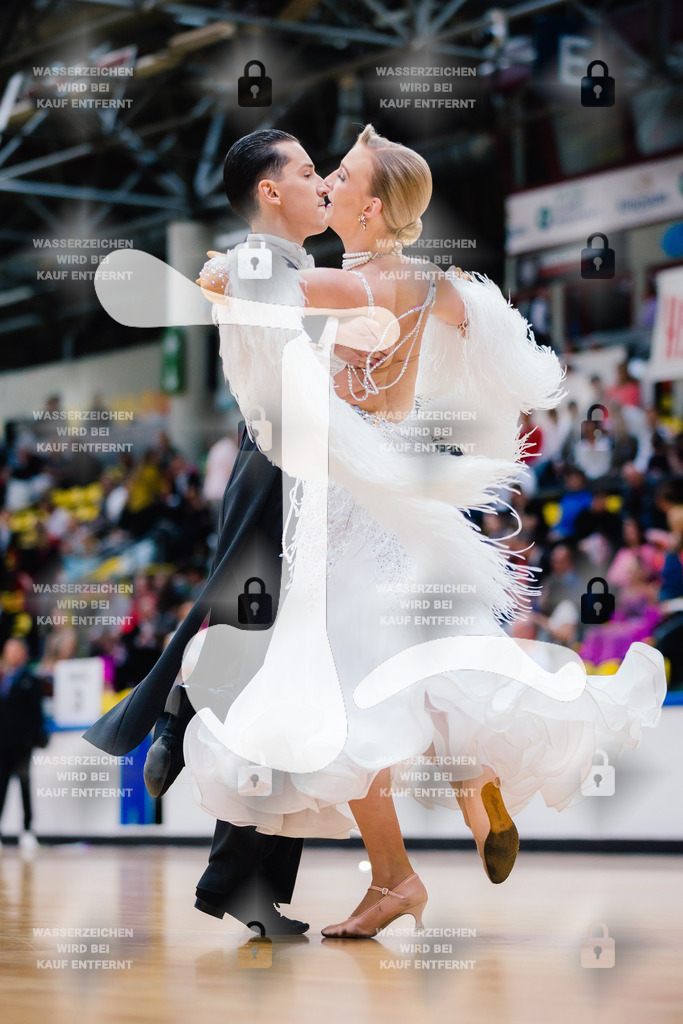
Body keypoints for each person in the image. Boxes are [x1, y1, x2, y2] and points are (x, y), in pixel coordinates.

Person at [190, 124, 665, 936]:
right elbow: (478, 321)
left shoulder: (361, 285)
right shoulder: (425, 282)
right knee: (412, 669)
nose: (329, 182)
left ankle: (397, 875)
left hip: (347, 509)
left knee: (344, 703)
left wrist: (222, 270)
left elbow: (275, 296)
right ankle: (467, 792)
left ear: (370, 207)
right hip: (397, 495)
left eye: (340, 175)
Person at [84, 129, 391, 935]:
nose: (320, 182)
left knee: (285, 672)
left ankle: (245, 886)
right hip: (275, 470)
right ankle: (173, 709)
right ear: (267, 193)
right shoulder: (264, 259)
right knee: (243, 631)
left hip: (302, 470)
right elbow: (262, 279)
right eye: (303, 171)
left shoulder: (284, 266)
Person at [0, 638, 47, 851]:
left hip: (22, 745)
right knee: (1, 788)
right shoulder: (3, 679)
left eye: (15, 650)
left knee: (24, 786)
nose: (11, 654)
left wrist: (32, 739)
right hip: (3, 745)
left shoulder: (29, 680)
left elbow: (36, 713)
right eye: (8, 651)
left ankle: (27, 829)